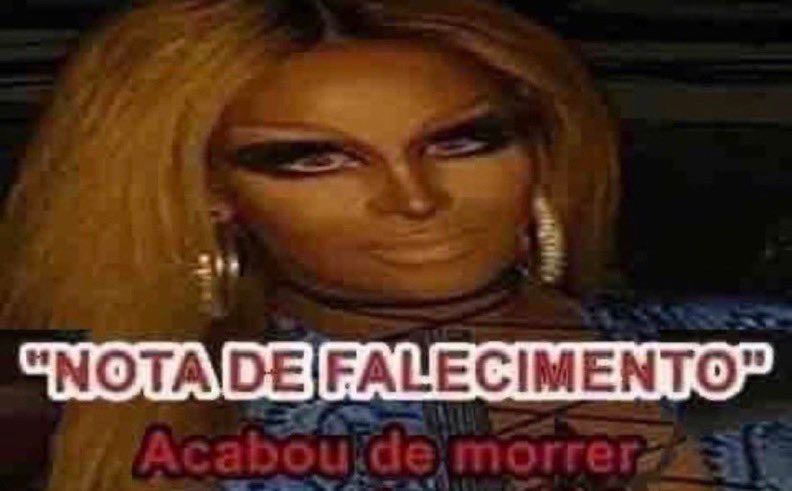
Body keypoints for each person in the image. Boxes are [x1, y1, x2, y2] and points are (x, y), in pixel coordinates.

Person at [0, 0, 722, 489]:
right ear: (208, 191)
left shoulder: (735, 343)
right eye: (317, 159)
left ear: (538, 148)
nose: (414, 198)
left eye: (461, 142)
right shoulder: (171, 427)